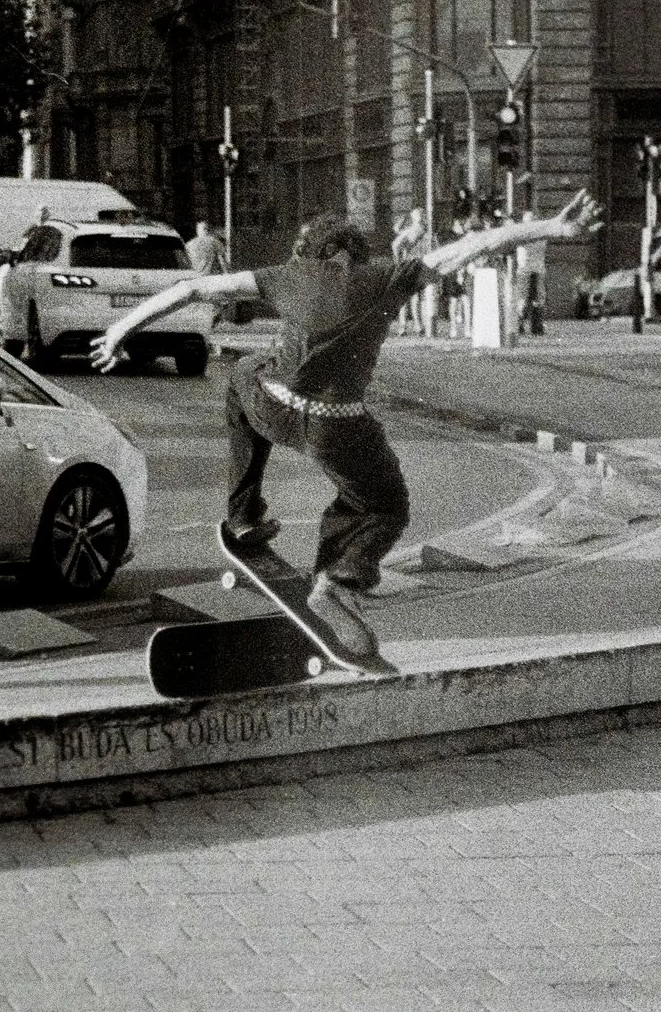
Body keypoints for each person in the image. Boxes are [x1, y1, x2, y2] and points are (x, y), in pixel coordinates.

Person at [92, 191, 602, 661]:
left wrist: (119, 329)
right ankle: (338, 580)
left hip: (273, 405)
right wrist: (553, 229)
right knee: (381, 504)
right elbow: (476, 244)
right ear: (354, 253)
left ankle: (243, 513)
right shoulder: (388, 276)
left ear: (311, 251)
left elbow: (190, 289)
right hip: (338, 429)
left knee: (242, 374)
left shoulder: (287, 275)